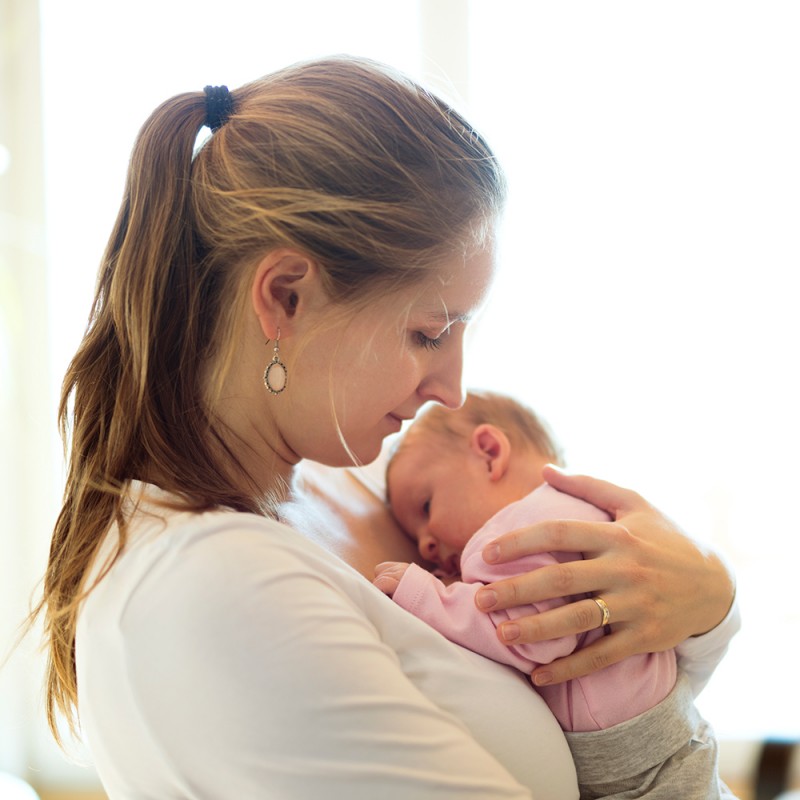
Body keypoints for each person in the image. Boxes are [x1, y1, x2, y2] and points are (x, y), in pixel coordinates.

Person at [32, 56, 740, 799]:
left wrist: (711, 599)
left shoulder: (347, 485)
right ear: (286, 298)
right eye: (429, 333)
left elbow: (617, 686)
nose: (452, 388)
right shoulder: (220, 588)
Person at [375, 390, 734, 797]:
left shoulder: (514, 531)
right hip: (661, 743)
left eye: (425, 507)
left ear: (490, 453)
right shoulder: (578, 513)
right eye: (414, 536)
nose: (424, 546)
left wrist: (426, 594)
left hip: (640, 766)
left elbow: (529, 634)